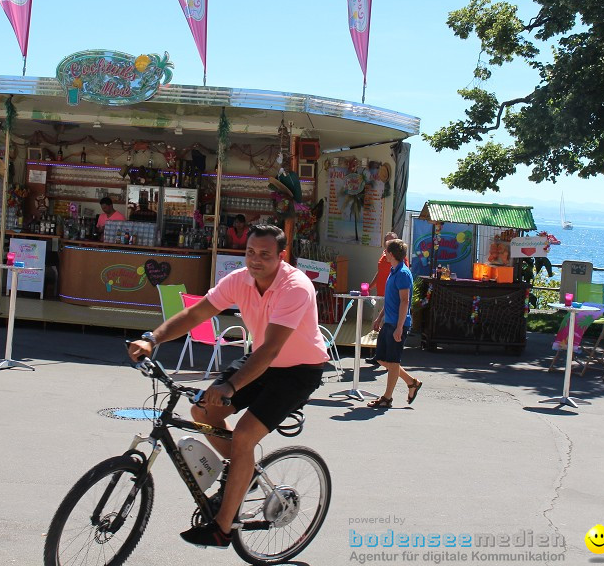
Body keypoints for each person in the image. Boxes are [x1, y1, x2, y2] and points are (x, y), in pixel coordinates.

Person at [127, 223, 328, 549]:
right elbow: (196, 314)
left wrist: (231, 387)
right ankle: (243, 470)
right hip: (261, 363)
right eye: (250, 252)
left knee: (246, 434)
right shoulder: (239, 280)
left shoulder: (296, 286)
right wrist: (153, 339)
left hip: (298, 370)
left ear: (282, 256)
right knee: (201, 411)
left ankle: (222, 528)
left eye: (265, 254)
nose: (255, 260)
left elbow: (271, 349)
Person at [368, 238, 422, 408]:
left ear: (391, 254)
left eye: (385, 252)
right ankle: (412, 382)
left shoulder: (403, 273)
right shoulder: (393, 271)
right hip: (389, 322)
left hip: (398, 324)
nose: (384, 255)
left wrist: (399, 327)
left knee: (393, 361)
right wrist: (379, 318)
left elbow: (404, 301)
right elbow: (390, 300)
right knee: (382, 359)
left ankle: (387, 398)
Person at [366, 231, 401, 366]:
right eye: (387, 242)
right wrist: (370, 287)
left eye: (391, 242)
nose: (389, 244)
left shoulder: (399, 259)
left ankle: (388, 360)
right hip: (381, 296)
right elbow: (380, 272)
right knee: (377, 327)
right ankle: (379, 356)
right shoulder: (384, 255)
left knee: (388, 328)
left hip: (391, 298)